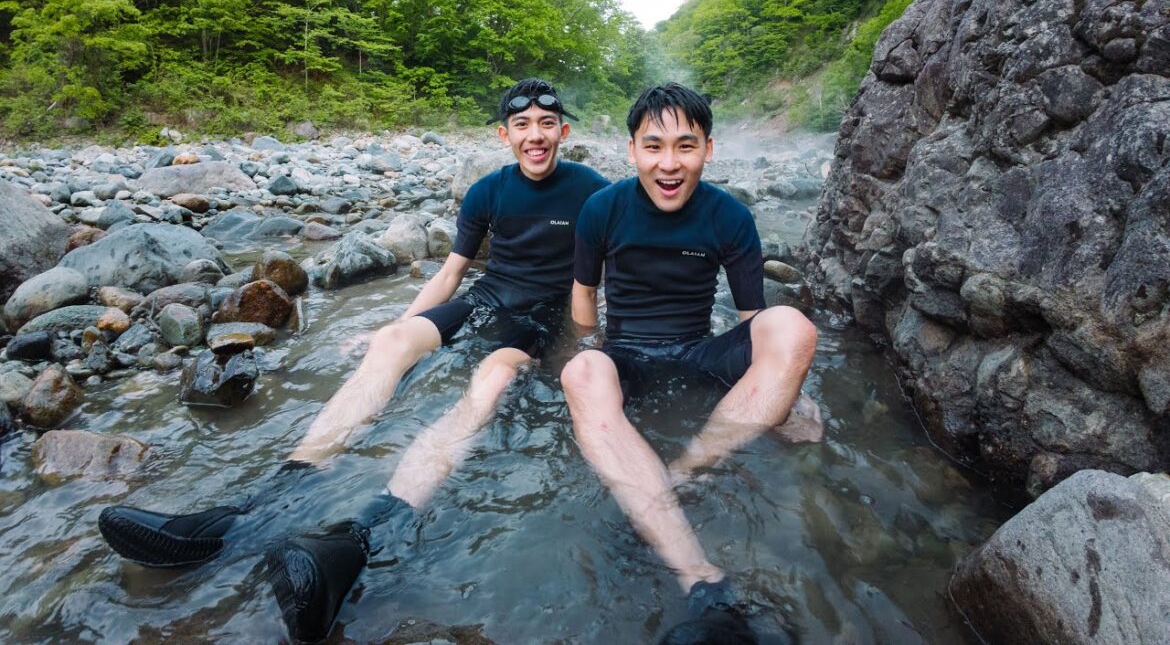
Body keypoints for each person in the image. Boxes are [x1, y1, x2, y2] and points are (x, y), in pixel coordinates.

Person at [97, 78, 609, 643]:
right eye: (522, 126)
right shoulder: (488, 190)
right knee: (390, 346)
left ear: (562, 131)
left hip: (537, 322)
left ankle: (366, 534)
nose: (534, 137)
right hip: (484, 300)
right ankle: (253, 510)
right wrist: (389, 327)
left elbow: (596, 284)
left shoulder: (592, 192)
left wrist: (580, 351)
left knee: (489, 380)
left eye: (545, 125)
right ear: (504, 134)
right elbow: (450, 273)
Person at [560, 83, 819, 643]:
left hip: (698, 353)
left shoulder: (729, 216)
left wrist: (788, 388)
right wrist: (587, 348)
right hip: (626, 352)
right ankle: (703, 582)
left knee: (793, 326)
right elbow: (584, 295)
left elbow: (756, 320)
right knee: (581, 371)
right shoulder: (602, 208)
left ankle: (680, 474)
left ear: (709, 148)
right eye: (654, 147)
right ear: (632, 151)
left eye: (686, 145)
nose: (669, 164)